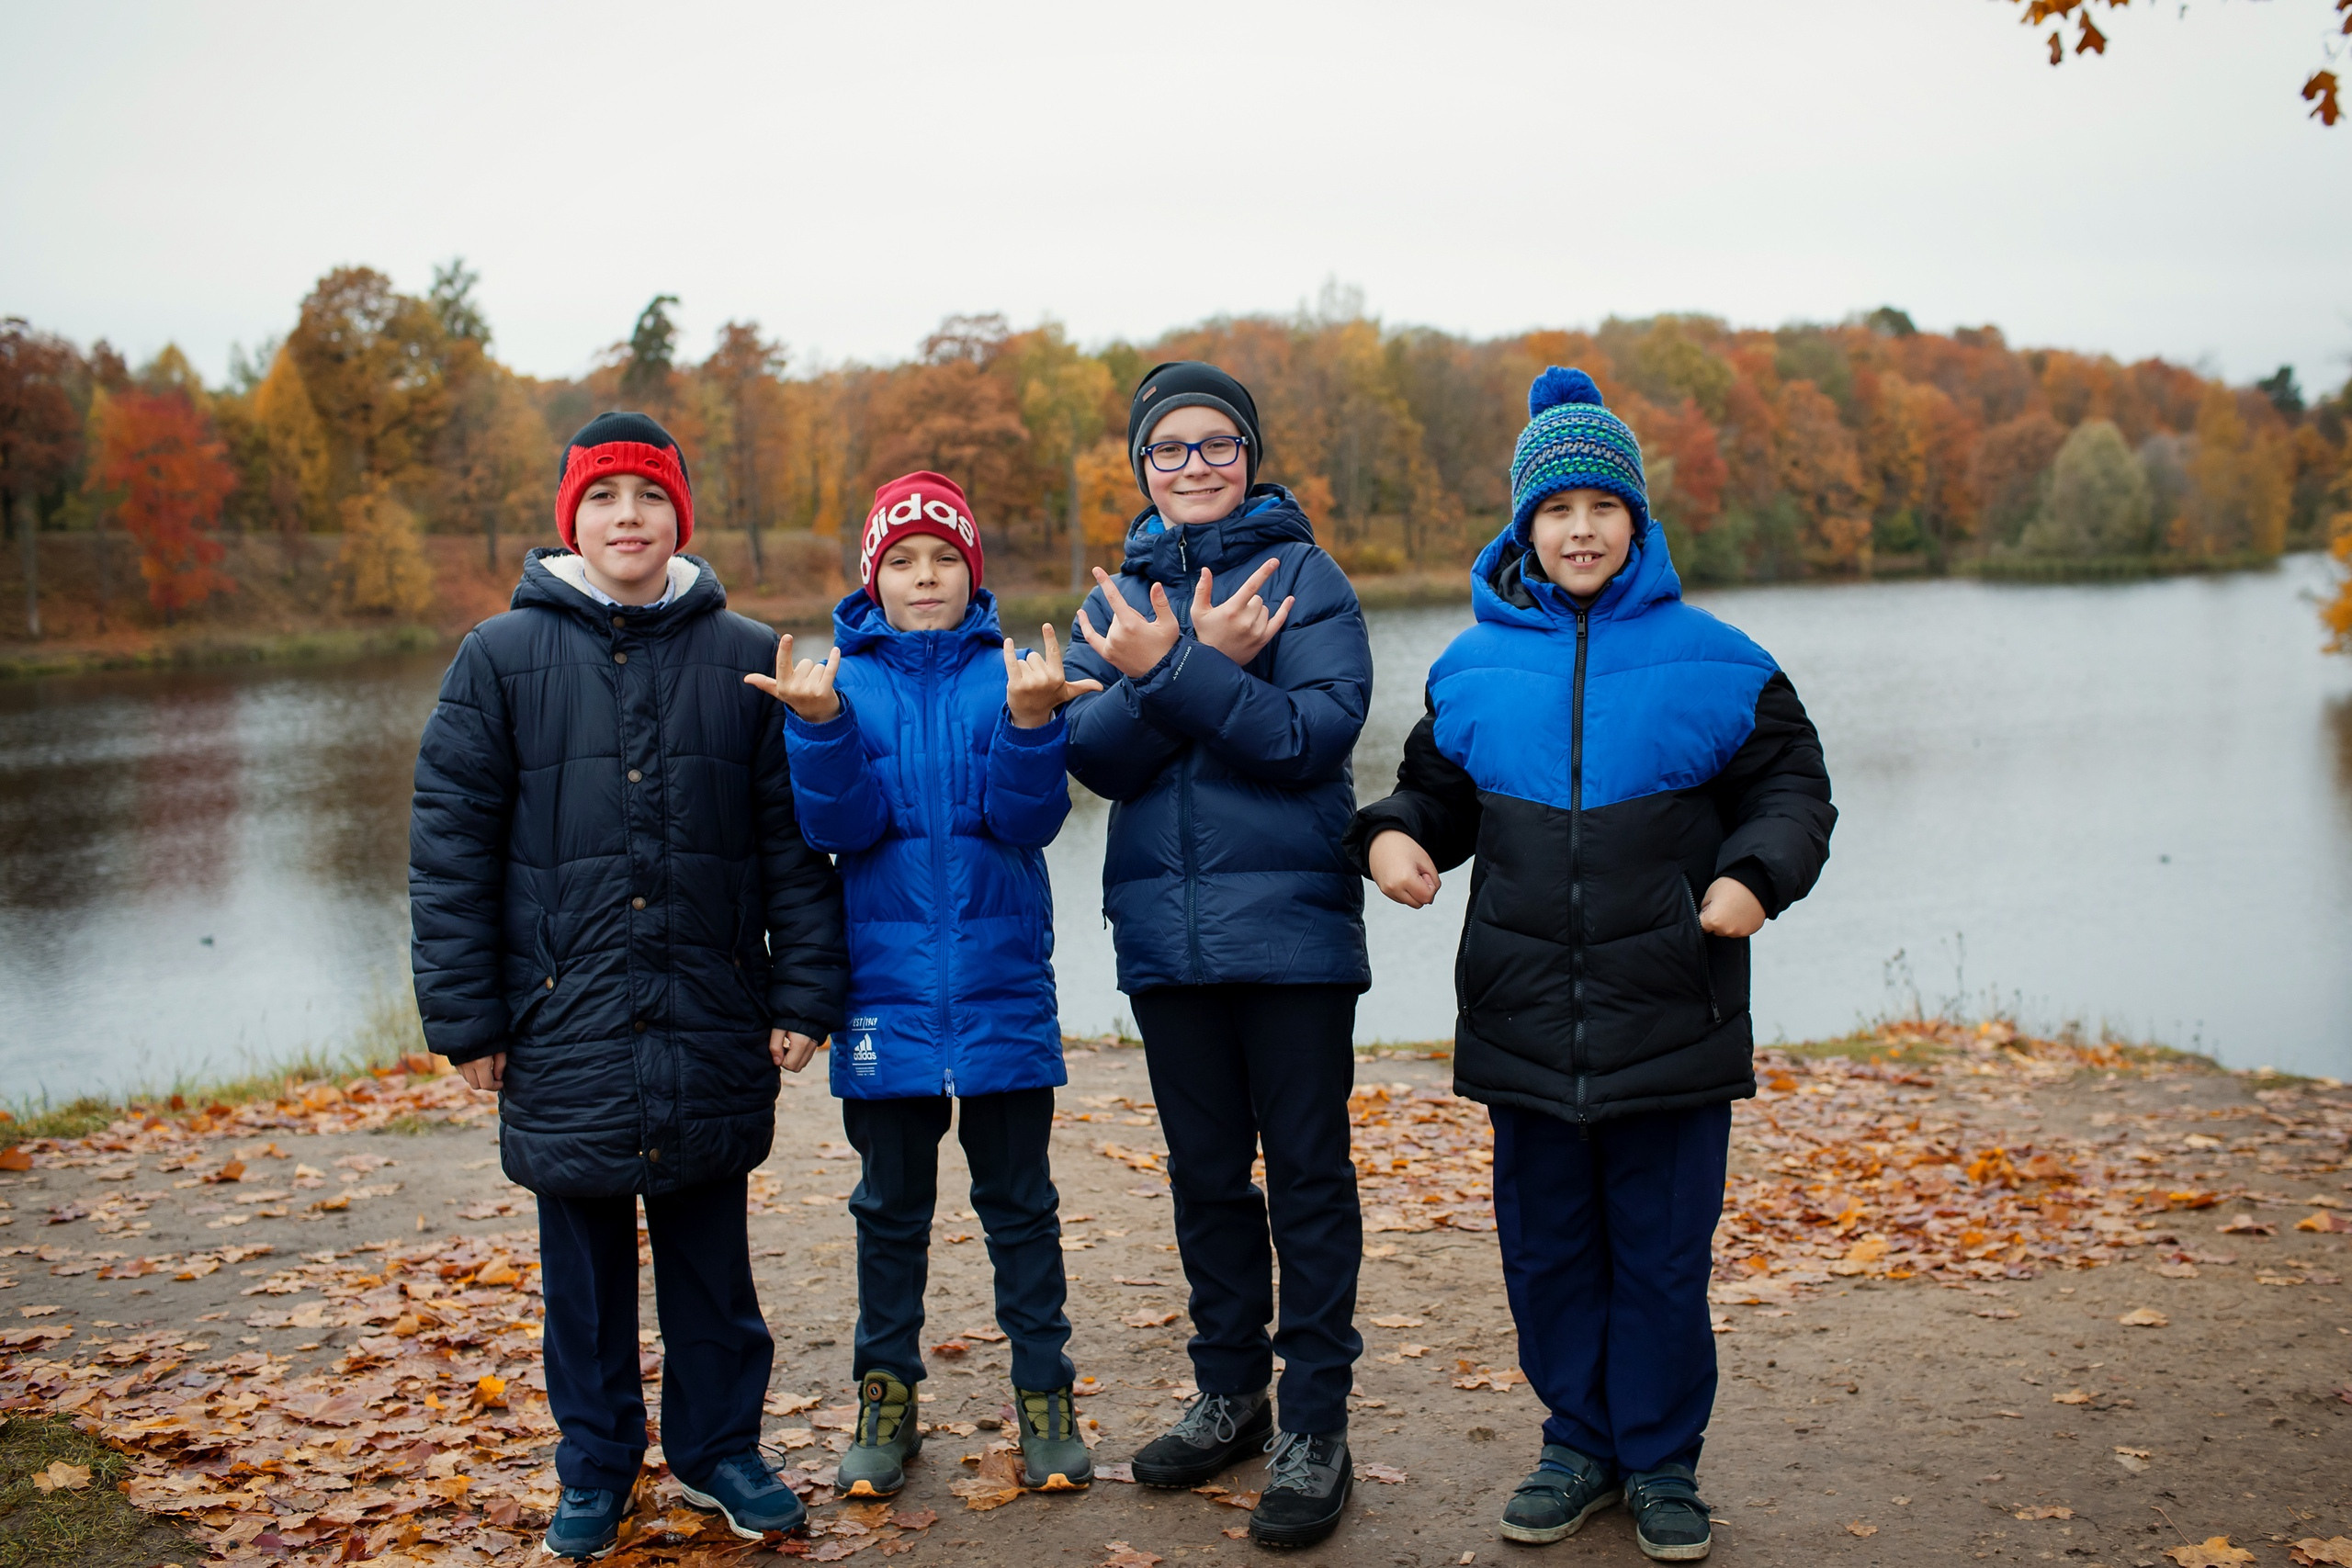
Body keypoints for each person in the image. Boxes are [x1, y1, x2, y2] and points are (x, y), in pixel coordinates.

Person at [1345, 369, 1836, 1562]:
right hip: (1522, 1021)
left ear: (1637, 521)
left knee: (1662, 1254)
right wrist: (1394, 833)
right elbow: (1434, 793)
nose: (1577, 529)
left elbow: (1792, 790)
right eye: (1554, 509)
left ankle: (1662, 1458)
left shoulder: (1722, 662)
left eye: (1600, 507)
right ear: (1524, 526)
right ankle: (1577, 1440)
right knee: (1550, 1246)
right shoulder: (1469, 668)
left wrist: (1753, 876)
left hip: (1672, 1011)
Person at [410, 412, 849, 1559]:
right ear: (573, 519)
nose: (627, 518)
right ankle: (596, 1467)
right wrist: (469, 1019)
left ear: (678, 521)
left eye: (648, 499)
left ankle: (718, 1452)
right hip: (565, 1018)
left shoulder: (741, 650)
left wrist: (802, 995)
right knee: (585, 1277)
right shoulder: (497, 657)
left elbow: (792, 844)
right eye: (604, 498)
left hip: (707, 1010)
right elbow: (450, 848)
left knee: (712, 1258)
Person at [1061, 362, 1373, 1551]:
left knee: (1304, 1177)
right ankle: (1231, 1391)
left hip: (1292, 934)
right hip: (1165, 938)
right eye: (1170, 448)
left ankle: (1317, 1422)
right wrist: (1178, 666)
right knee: (1205, 1176)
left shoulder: (1305, 577)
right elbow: (1094, 756)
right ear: (1142, 466)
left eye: (1216, 444)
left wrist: (1177, 668)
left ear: (1250, 453)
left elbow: (1310, 738)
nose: (1194, 465)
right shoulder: (1119, 592)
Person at [747, 470, 1101, 1499]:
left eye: (943, 557)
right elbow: (838, 830)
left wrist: (1034, 728)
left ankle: (1045, 1400)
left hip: (999, 996)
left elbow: (1027, 823)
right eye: (902, 561)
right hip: (882, 1003)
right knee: (888, 1213)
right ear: (874, 576)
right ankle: (885, 1402)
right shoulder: (840, 684)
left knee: (1020, 1208)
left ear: (971, 569)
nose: (925, 575)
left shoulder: (1014, 674)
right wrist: (814, 731)